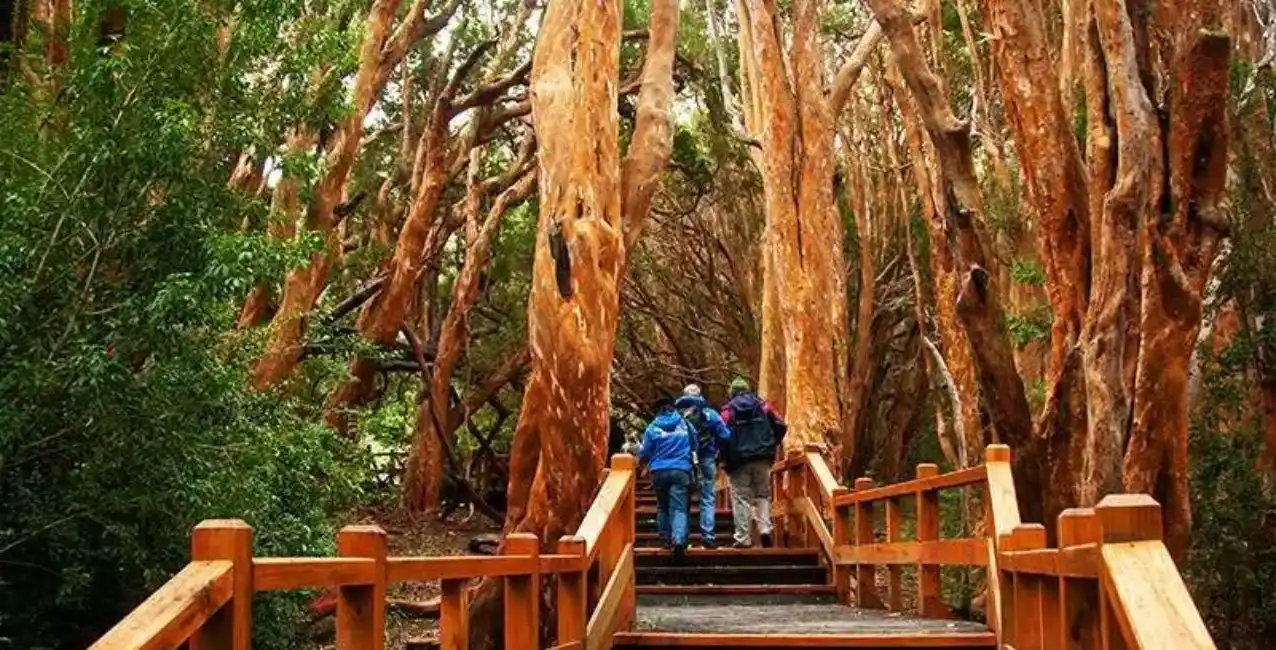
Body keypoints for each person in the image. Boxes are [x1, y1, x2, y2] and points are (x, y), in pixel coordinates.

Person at [720, 377, 787, 548]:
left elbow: (721, 434)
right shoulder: (763, 406)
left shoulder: (728, 411)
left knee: (741, 497)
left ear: (732, 393)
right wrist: (772, 444)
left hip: (739, 460)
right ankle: (765, 529)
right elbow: (781, 424)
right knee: (762, 495)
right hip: (762, 457)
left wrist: (723, 456)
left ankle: (743, 538)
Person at [637, 396, 696, 559]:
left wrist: (641, 463)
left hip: (659, 471)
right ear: (673, 408)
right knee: (679, 508)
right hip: (681, 469)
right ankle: (678, 540)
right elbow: (695, 443)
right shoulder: (685, 424)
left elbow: (645, 452)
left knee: (663, 506)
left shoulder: (652, 428)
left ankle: (665, 539)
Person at [674, 384, 732, 549]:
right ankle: (708, 535)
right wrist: (719, 451)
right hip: (706, 458)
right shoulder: (710, 414)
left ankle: (681, 536)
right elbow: (726, 436)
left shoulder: (678, 415)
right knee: (707, 497)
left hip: (684, 460)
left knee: (682, 497)